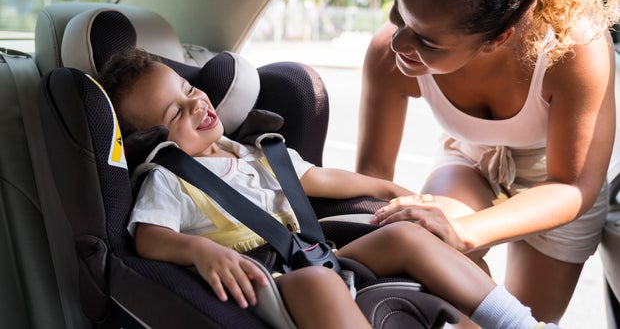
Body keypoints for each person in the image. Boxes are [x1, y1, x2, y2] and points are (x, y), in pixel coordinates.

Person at [97, 48, 560, 329]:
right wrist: (200, 253)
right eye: (175, 114)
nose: (195, 103)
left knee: (406, 237)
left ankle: (518, 323)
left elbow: (320, 178)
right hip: (264, 281)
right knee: (319, 284)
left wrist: (389, 186)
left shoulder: (250, 151)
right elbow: (148, 236)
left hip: (316, 252)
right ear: (155, 139)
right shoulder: (168, 177)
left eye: (187, 89)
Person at [356, 0, 620, 326]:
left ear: (498, 39)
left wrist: (467, 232)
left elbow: (572, 185)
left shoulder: (575, 50)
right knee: (429, 237)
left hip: (557, 184)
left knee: (521, 318)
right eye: (399, 13)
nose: (399, 42)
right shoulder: (388, 55)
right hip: (473, 161)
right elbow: (371, 177)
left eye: (427, 41)